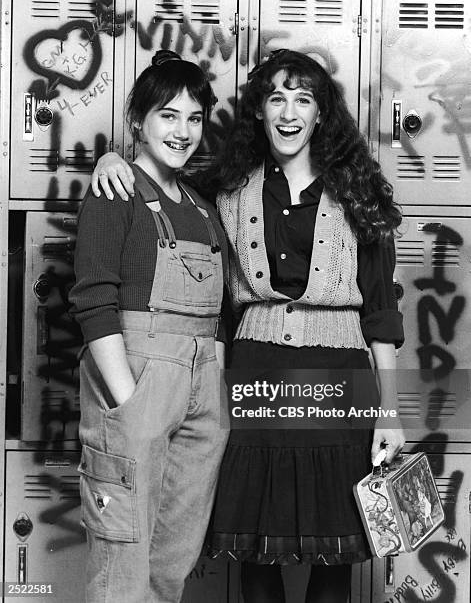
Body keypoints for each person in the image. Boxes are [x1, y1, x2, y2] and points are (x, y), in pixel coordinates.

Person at [90, 49, 405, 603]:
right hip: (254, 378)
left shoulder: (359, 192)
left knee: (337, 554)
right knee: (256, 550)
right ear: (258, 110)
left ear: (320, 114)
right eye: (276, 97)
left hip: (341, 382)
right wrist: (112, 161)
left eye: (303, 99)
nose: (288, 112)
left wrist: (391, 415)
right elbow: (157, 187)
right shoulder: (226, 189)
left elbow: (381, 315)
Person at [69, 50, 229, 603]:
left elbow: (219, 316)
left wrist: (214, 388)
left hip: (201, 390)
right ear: (138, 121)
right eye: (168, 115)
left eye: (194, 118)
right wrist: (129, 402)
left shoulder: (204, 209)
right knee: (123, 555)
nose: (182, 131)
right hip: (138, 381)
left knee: (172, 558)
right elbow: (93, 302)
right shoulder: (115, 191)